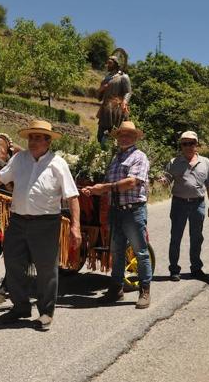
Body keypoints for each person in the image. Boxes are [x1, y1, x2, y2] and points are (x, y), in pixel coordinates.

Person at [0, 119, 81, 331]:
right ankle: (20, 307)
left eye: (38, 137)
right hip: (18, 221)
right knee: (13, 263)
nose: (33, 141)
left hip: (46, 223)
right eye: (31, 137)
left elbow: (72, 196)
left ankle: (46, 312)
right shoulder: (19, 158)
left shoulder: (58, 164)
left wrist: (75, 226)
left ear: (48, 141)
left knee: (46, 269)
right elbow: (1, 177)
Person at [81, 121, 152, 309]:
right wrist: (94, 190)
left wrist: (104, 188)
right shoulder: (116, 159)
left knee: (140, 251)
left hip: (133, 210)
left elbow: (132, 182)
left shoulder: (139, 157)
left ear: (135, 137)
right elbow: (108, 185)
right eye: (121, 134)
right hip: (115, 210)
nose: (124, 137)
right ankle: (116, 289)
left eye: (128, 134)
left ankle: (144, 290)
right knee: (116, 252)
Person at [159, 131, 209, 281]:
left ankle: (196, 269)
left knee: (197, 237)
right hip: (179, 204)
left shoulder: (206, 162)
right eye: (185, 143)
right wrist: (163, 181)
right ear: (181, 145)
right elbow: (166, 181)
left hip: (198, 204)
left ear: (197, 144)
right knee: (176, 237)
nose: (188, 146)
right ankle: (174, 270)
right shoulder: (174, 162)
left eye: (191, 143)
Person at [96, 55, 132, 145]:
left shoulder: (123, 77)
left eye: (110, 63)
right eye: (107, 63)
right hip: (105, 109)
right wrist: (101, 89)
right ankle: (100, 151)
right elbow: (99, 97)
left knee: (114, 132)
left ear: (116, 64)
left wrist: (124, 102)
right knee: (100, 133)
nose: (107, 65)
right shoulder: (106, 78)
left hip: (117, 109)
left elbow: (128, 92)